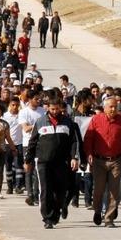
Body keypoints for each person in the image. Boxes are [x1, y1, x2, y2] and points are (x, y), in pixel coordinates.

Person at [25, 97, 80, 229]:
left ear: (61, 108)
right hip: (43, 162)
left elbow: (74, 141)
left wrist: (74, 157)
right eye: (52, 109)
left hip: (61, 162)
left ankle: (56, 214)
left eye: (57, 109)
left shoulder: (67, 122)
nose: (55, 111)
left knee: (60, 191)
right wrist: (28, 160)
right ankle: (47, 218)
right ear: (48, 108)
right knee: (45, 190)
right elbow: (32, 143)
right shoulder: (40, 122)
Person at [84, 98, 121, 228]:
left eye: (115, 107)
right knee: (99, 189)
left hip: (116, 160)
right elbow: (88, 138)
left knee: (114, 190)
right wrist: (88, 153)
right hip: (99, 161)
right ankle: (97, 210)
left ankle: (109, 218)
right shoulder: (96, 120)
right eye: (110, 107)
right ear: (104, 108)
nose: (113, 109)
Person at [20, 90, 45, 206]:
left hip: (40, 144)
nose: (38, 101)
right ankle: (29, 194)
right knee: (29, 169)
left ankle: (36, 194)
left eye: (39, 99)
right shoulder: (24, 112)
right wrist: (37, 126)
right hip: (28, 143)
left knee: (37, 170)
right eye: (36, 99)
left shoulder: (42, 111)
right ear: (30, 99)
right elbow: (25, 128)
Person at [2, 97, 26, 194]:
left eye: (17, 105)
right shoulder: (5, 116)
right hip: (7, 144)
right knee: (8, 166)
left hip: (19, 143)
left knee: (18, 165)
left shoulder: (21, 115)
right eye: (13, 105)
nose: (15, 107)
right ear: (9, 105)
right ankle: (10, 186)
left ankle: (18, 186)